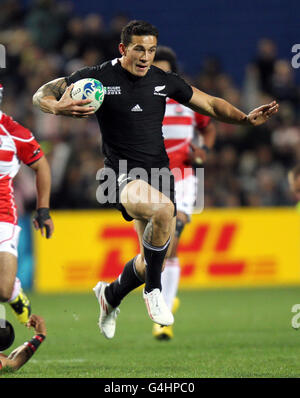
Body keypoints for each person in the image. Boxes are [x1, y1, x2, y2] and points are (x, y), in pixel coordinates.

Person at [32, 20, 279, 340]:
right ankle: (154, 292)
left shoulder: (164, 81)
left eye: (150, 50)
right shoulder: (98, 76)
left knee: (150, 259)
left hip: (160, 174)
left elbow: (211, 104)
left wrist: (245, 119)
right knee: (165, 213)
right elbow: (43, 92)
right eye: (138, 49)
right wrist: (56, 106)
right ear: (123, 49)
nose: (146, 56)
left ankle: (110, 296)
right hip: (119, 176)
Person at [151, 46, 216, 340]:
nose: (160, 75)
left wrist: (204, 149)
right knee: (157, 248)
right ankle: (166, 300)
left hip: (185, 177)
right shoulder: (144, 99)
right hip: (150, 178)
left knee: (173, 238)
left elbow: (208, 127)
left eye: (166, 70)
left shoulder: (188, 99)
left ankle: (163, 318)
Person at [0, 83, 54, 325]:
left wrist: (43, 209)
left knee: (2, 289)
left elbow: (41, 165)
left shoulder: (13, 131)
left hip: (3, 216)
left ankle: (13, 292)